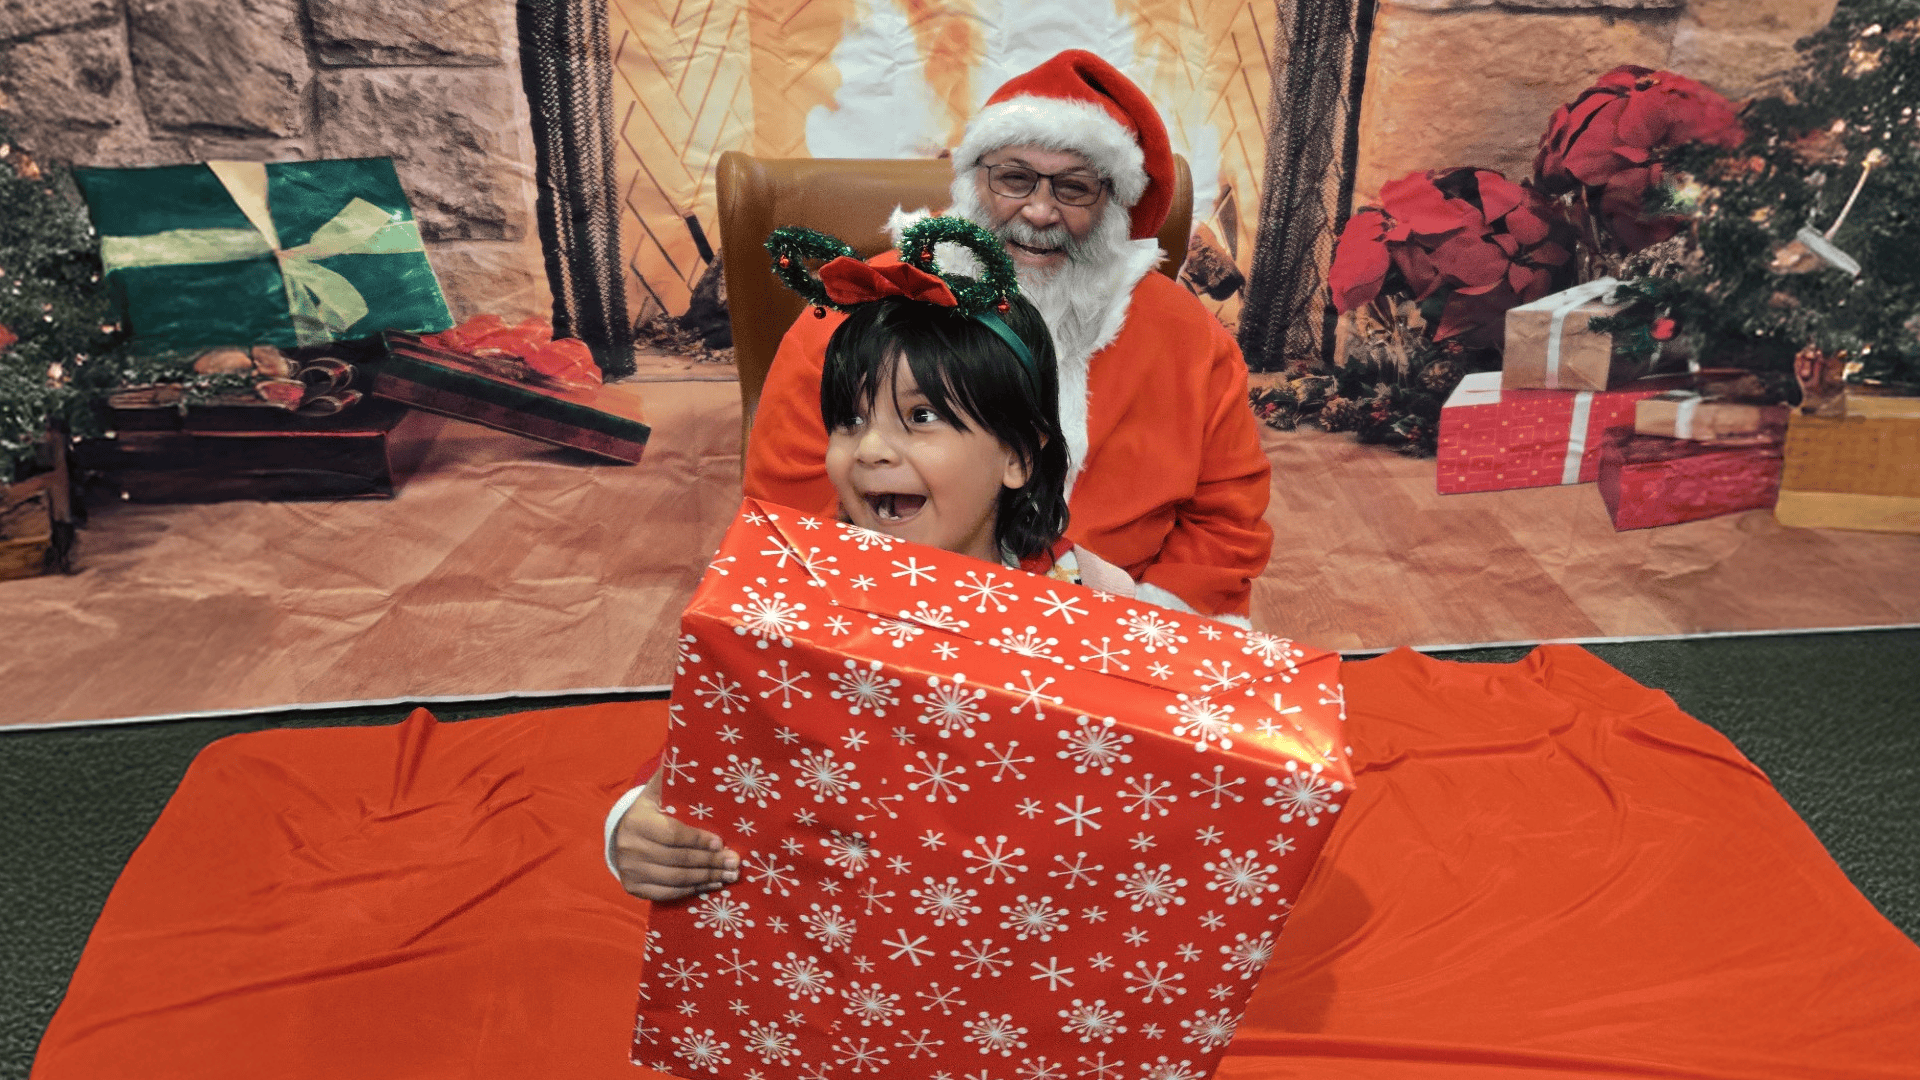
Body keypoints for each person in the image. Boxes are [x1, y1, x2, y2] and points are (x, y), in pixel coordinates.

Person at [611, 220, 1101, 901]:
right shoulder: (791, 606)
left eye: (921, 416)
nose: (868, 450)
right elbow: (701, 756)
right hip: (839, 941)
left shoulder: (1087, 598)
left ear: (1018, 456)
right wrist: (634, 831)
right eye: (850, 420)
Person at [744, 48, 1272, 627]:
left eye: (1074, 189)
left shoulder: (1189, 340)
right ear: (973, 183)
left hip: (1121, 624)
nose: (1039, 212)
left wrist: (1144, 627)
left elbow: (1226, 521)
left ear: (1116, 206)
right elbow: (788, 509)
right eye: (1014, 179)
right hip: (895, 609)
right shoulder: (867, 308)